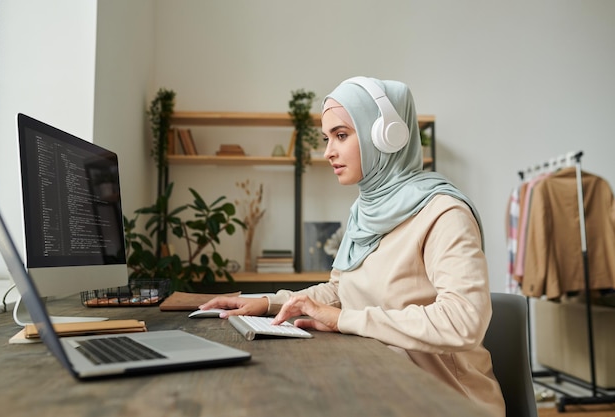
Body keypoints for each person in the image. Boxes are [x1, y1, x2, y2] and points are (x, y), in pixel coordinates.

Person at [200, 76, 505, 416]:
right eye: (326, 138)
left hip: (446, 401)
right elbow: (340, 290)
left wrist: (344, 320)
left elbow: (462, 321)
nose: (328, 151)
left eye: (341, 136)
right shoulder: (365, 212)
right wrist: (270, 302)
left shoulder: (443, 212)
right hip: (381, 386)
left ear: (387, 137)